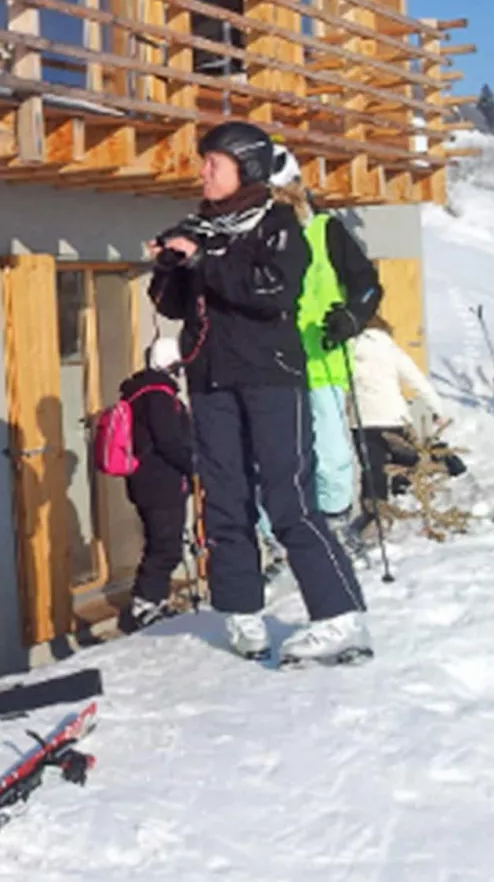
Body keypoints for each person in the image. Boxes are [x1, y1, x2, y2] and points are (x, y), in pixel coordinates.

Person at [148, 120, 371, 666]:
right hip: (210, 378)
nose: (203, 171)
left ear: (244, 168)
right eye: (203, 162)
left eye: (213, 163)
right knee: (224, 499)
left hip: (271, 376)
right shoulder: (198, 226)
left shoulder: (278, 224)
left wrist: (205, 261)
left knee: (288, 496)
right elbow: (174, 305)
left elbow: (270, 292)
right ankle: (241, 611)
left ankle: (339, 618)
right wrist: (169, 265)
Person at [254, 146, 385, 559]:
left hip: (321, 362)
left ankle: (334, 526)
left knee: (330, 457)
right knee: (271, 459)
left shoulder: (325, 230)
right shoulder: (251, 235)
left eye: (278, 196)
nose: (273, 206)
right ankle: (272, 539)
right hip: (268, 368)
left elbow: (367, 284)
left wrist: (352, 316)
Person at [348, 313, 449, 541]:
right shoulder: (389, 348)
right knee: (406, 460)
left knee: (372, 469)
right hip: (395, 417)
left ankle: (377, 514)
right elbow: (416, 379)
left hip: (363, 421)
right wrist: (437, 409)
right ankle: (413, 501)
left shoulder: (349, 347)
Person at [118, 336, 195, 634]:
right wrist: (192, 464)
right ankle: (144, 604)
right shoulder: (159, 395)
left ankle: (153, 600)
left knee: (161, 542)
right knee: (166, 546)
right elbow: (169, 440)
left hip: (145, 480)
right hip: (161, 481)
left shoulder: (137, 393)